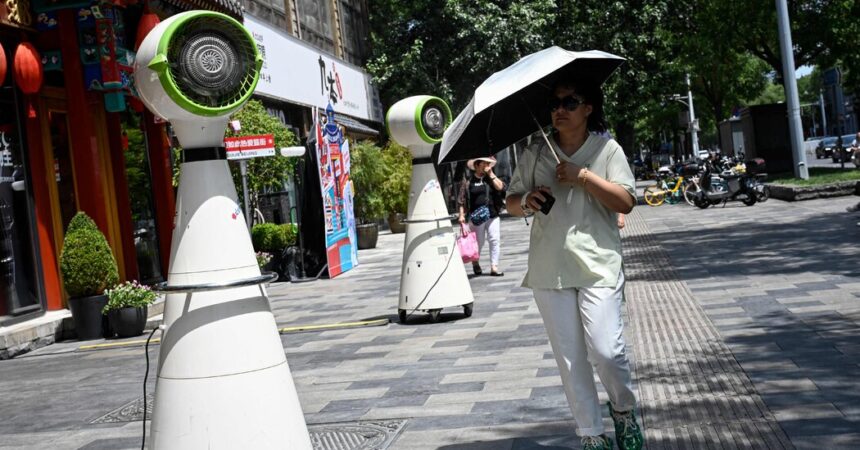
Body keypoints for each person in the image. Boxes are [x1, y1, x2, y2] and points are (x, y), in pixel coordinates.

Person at [505, 77, 643, 450]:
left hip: (598, 264)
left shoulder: (607, 150)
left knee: (606, 351)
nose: (559, 110)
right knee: (570, 359)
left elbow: (626, 201)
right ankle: (591, 435)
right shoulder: (535, 152)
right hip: (550, 268)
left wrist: (583, 176)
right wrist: (528, 200)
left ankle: (624, 411)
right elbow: (512, 203)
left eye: (570, 102)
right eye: (555, 103)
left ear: (588, 109)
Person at [458, 156, 506, 276]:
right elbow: (461, 199)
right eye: (484, 163)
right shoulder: (468, 181)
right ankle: (475, 262)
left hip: (492, 214)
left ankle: (494, 267)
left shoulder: (490, 179)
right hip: (476, 217)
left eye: (488, 164)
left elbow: (501, 187)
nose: (487, 166)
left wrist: (491, 174)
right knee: (478, 242)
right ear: (477, 165)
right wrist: (461, 215)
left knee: (494, 239)